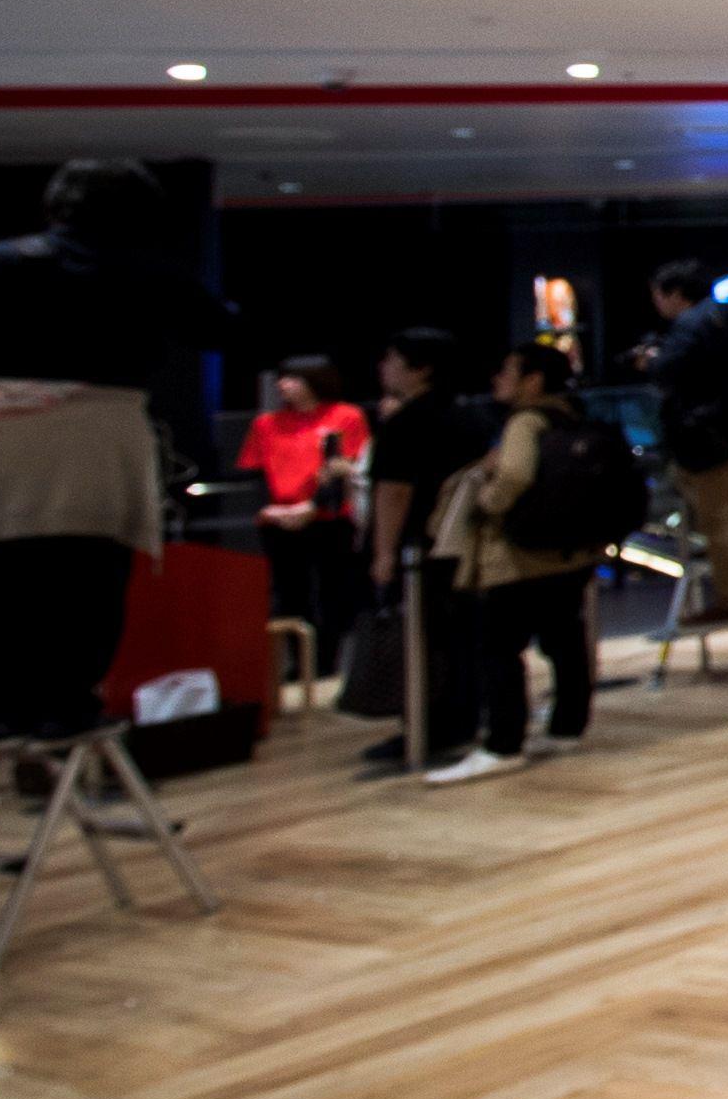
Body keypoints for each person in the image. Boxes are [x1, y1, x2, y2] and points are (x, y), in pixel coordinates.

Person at [0, 158, 229, 775]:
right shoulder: (146, 272)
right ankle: (68, 703)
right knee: (91, 569)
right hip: (101, 439)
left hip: (0, 434)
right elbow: (219, 329)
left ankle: (7, 707)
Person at [429, 341, 602, 782]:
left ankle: (503, 742)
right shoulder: (573, 416)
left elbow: (514, 475)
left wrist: (488, 501)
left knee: (500, 648)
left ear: (533, 380)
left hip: (520, 555)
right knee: (565, 639)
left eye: (507, 372)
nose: (497, 380)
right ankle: (568, 726)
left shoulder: (525, 421)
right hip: (570, 551)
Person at [356, 324, 490, 775]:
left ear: (421, 369)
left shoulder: (406, 423)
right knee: (462, 636)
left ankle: (424, 723)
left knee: (423, 638)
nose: (384, 368)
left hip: (418, 547)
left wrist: (382, 553)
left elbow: (393, 492)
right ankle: (461, 718)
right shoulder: (470, 418)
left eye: (394, 360)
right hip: (462, 542)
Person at [636, 259, 728, 629]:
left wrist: (650, 363)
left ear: (674, 294)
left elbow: (668, 370)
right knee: (711, 503)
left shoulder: (693, 323)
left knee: (720, 516)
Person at [237, 354, 372, 662]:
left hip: (328, 519)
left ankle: (326, 663)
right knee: (288, 595)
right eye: (282, 378)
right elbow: (255, 472)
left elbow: (347, 468)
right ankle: (297, 664)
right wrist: (269, 510)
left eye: (292, 378)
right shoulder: (266, 424)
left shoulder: (345, 416)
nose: (283, 385)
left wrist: (312, 507)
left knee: (332, 594)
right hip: (279, 521)